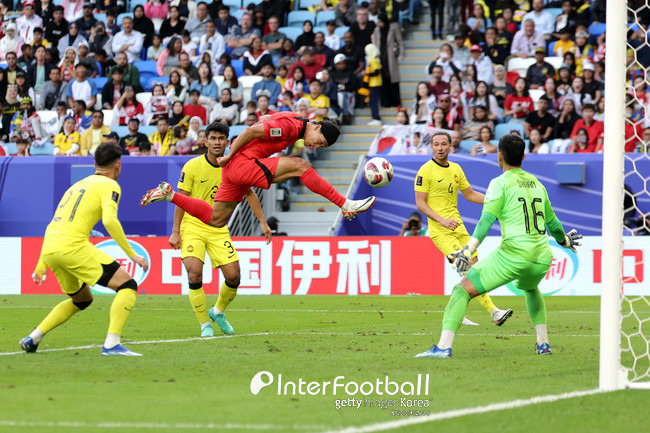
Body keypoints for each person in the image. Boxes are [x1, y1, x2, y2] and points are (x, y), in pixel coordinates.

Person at [415, 133, 582, 358]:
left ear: (499, 156)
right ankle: (543, 343)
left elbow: (485, 222)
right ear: (523, 156)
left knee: (461, 291)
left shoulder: (499, 183)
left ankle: (443, 347)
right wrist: (565, 241)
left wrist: (468, 250)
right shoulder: (537, 183)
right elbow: (553, 223)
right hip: (543, 257)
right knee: (531, 288)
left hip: (513, 256)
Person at [20, 142, 149, 356]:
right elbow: (109, 220)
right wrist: (132, 254)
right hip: (72, 246)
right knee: (127, 284)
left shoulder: (77, 186)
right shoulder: (110, 185)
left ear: (94, 163)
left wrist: (41, 263)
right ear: (118, 164)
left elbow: (54, 224)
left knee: (82, 299)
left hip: (52, 249)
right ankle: (111, 344)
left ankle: (33, 338)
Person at [140, 112, 377, 226]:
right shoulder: (291, 128)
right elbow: (251, 131)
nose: (315, 146)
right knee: (300, 165)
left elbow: (266, 118)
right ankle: (345, 204)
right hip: (240, 163)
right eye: (319, 141)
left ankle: (170, 194)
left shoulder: (295, 120)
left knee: (216, 219)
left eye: (320, 146)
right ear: (316, 127)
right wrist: (230, 154)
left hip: (236, 170)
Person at [169, 121, 271, 337]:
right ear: (205, 141)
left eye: (221, 139)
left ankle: (218, 312)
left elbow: (250, 193)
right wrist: (176, 231)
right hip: (193, 226)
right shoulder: (192, 166)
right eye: (213, 138)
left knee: (234, 277)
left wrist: (262, 221)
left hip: (218, 228)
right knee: (194, 273)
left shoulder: (235, 166)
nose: (217, 142)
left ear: (227, 142)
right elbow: (181, 200)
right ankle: (204, 324)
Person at [413, 131, 512, 328]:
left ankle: (458, 309)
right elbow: (420, 204)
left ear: (450, 146)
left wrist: (494, 200)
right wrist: (441, 220)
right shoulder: (425, 170)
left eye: (444, 144)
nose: (440, 148)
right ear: (431, 147)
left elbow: (470, 194)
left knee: (474, 270)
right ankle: (494, 312)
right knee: (466, 267)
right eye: (436, 144)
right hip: (440, 230)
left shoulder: (456, 168)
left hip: (459, 228)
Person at [365, 43, 382, 126]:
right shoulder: (374, 60)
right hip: (373, 84)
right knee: (372, 101)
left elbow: (376, 72)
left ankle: (376, 118)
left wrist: (367, 74)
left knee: (373, 102)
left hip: (375, 84)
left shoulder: (374, 61)